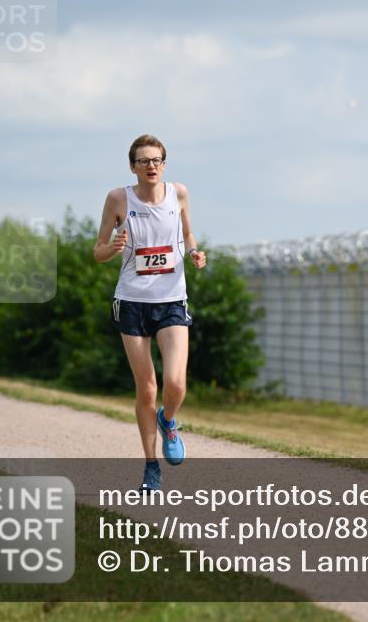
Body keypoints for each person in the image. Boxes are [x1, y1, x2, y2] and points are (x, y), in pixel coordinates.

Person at [93, 134, 207, 492]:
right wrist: (113, 248)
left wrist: (194, 253)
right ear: (133, 167)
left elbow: (189, 234)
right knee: (146, 388)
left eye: (157, 160)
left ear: (164, 164)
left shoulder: (180, 194)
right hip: (132, 301)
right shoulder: (117, 199)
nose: (151, 166)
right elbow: (98, 250)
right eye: (143, 161)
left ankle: (168, 420)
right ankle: (150, 465)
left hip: (172, 298)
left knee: (175, 383)